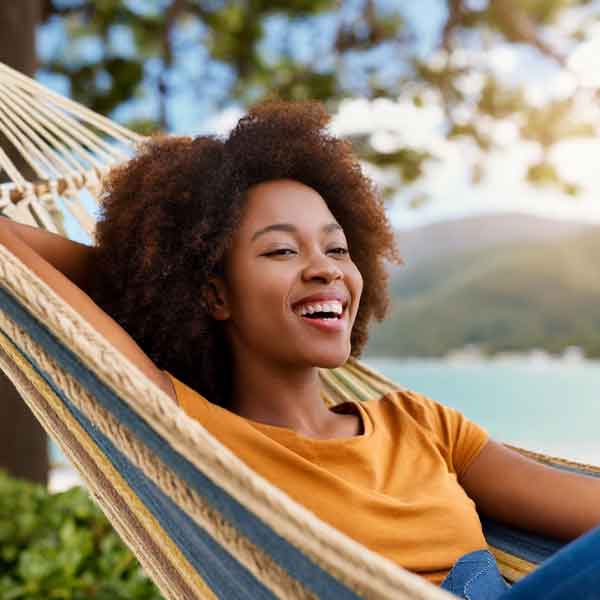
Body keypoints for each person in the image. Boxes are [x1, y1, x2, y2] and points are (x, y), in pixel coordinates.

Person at [0, 100, 599, 599]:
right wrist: (148, 280)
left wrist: (173, 278)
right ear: (213, 294)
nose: (326, 271)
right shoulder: (190, 436)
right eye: (282, 251)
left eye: (338, 250)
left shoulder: (423, 425)